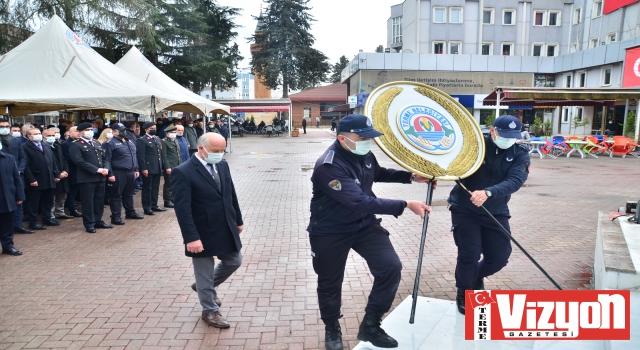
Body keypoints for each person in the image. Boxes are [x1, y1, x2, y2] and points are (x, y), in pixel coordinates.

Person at [308, 114, 433, 350]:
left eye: (369, 137)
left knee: (390, 267)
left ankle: (371, 325)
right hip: (330, 231)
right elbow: (359, 201)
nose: (367, 141)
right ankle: (332, 327)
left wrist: (412, 177)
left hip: (364, 225)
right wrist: (405, 204)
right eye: (362, 137)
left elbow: (378, 172)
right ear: (342, 138)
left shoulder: (362, 153)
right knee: (330, 283)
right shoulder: (329, 166)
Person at [447, 115, 530, 315]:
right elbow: (454, 166)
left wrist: (488, 193)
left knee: (499, 257)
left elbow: (516, 180)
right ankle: (464, 291)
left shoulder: (520, 153)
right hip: (465, 209)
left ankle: (474, 277)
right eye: (504, 134)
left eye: (513, 135)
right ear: (492, 130)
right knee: (469, 254)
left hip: (496, 209)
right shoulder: (475, 146)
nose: (508, 139)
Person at [172, 133, 244, 329]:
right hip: (201, 230)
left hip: (224, 225)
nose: (220, 155)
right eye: (215, 151)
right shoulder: (183, 172)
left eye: (222, 151)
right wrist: (191, 238)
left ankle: (203, 288)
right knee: (204, 272)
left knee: (235, 260)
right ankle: (210, 310)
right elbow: (183, 209)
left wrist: (237, 219)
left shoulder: (222, 164)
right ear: (201, 148)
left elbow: (231, 193)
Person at [69, 122, 113, 233]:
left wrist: (106, 169)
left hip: (100, 177)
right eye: (87, 129)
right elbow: (79, 161)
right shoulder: (76, 145)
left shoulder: (96, 143)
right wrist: (96, 170)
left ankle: (98, 220)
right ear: (79, 132)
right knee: (88, 201)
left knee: (99, 200)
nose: (90, 131)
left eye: (91, 129)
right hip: (87, 178)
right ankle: (89, 223)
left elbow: (105, 158)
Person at [103, 123, 144, 225]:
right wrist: (110, 174)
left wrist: (136, 169)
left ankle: (130, 212)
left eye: (124, 130)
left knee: (129, 194)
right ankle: (116, 216)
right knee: (116, 196)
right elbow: (106, 160)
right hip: (118, 172)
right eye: (120, 130)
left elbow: (134, 156)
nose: (123, 132)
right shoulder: (109, 143)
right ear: (114, 132)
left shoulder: (128, 141)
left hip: (130, 172)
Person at [22, 127, 60, 230]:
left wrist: (56, 175)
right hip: (36, 179)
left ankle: (47, 218)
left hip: (48, 178)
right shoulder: (25, 147)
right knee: (33, 202)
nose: (38, 135)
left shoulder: (45, 145)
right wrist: (31, 179)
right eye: (35, 134)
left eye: (39, 133)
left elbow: (53, 162)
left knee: (47, 200)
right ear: (29, 136)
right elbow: (26, 165)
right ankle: (33, 222)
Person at [0, 119, 30, 234]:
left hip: (17, 176)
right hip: (3, 177)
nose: (5, 128)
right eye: (2, 126)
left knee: (18, 201)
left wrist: (19, 170)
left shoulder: (15, 141)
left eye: (7, 126)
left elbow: (22, 157)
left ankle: (18, 225)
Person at [136, 122, 166, 215]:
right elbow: (141, 157)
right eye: (151, 128)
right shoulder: (142, 140)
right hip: (148, 168)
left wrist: (162, 166)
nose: (154, 130)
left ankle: (154, 204)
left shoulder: (157, 139)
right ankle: (147, 207)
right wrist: (143, 168)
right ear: (145, 129)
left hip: (157, 167)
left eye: (154, 128)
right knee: (147, 188)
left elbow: (159, 154)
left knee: (155, 187)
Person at [0, 149, 25, 256]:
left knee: (7, 224)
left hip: (6, 197)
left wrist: (20, 195)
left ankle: (8, 246)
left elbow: (16, 178)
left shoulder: (8, 158)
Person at [44, 128, 72, 220]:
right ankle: (51, 215)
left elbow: (64, 160)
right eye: (49, 136)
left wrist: (65, 171)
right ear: (43, 137)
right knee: (51, 197)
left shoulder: (58, 146)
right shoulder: (43, 147)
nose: (52, 137)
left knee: (62, 195)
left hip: (63, 175)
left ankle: (60, 212)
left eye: (53, 135)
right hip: (52, 176)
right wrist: (57, 174)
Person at [61, 126, 83, 218]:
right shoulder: (66, 144)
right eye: (76, 131)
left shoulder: (81, 142)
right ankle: (72, 209)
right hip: (73, 171)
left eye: (79, 131)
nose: (78, 133)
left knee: (78, 190)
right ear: (69, 133)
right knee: (72, 192)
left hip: (81, 171)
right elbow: (70, 158)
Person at [161, 126, 181, 208]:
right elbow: (164, 156)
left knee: (175, 183)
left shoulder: (175, 140)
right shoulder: (164, 142)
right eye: (172, 133)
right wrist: (167, 167)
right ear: (167, 133)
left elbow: (178, 154)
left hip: (177, 165)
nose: (174, 134)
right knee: (168, 184)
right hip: (170, 166)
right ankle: (167, 201)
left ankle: (173, 199)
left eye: (175, 132)